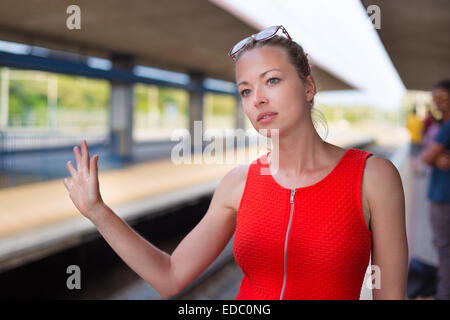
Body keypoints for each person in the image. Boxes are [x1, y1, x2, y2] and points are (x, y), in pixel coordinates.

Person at [63, 25, 408, 300]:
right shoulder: (238, 184)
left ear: (308, 87)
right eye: (245, 90)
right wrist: (97, 211)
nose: (257, 98)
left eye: (272, 80)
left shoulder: (372, 177)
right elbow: (169, 276)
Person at [421, 79, 450, 300]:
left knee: (444, 249)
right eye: (435, 98)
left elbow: (426, 157)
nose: (437, 103)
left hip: (443, 197)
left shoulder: (447, 127)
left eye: (442, 98)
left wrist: (433, 155)